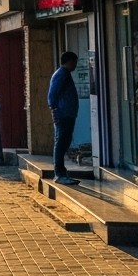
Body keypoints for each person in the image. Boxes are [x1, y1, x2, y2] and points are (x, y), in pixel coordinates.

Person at [47, 52, 81, 186]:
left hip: (68, 113)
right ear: (68, 61)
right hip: (63, 114)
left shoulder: (64, 74)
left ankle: (61, 172)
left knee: (64, 142)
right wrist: (54, 109)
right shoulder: (61, 74)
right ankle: (59, 173)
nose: (75, 65)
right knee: (61, 143)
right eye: (74, 62)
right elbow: (52, 94)